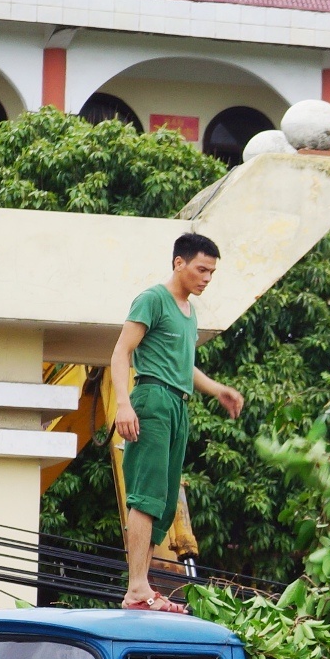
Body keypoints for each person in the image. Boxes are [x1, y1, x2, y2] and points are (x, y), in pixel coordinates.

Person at [109, 232, 243, 614]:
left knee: (164, 504)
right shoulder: (153, 299)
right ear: (178, 263)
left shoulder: (189, 311)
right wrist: (123, 404)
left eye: (212, 272)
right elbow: (121, 352)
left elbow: (184, 364)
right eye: (201, 269)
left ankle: (143, 586)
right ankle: (136, 588)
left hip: (178, 404)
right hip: (152, 398)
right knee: (146, 496)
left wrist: (217, 390)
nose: (206, 278)